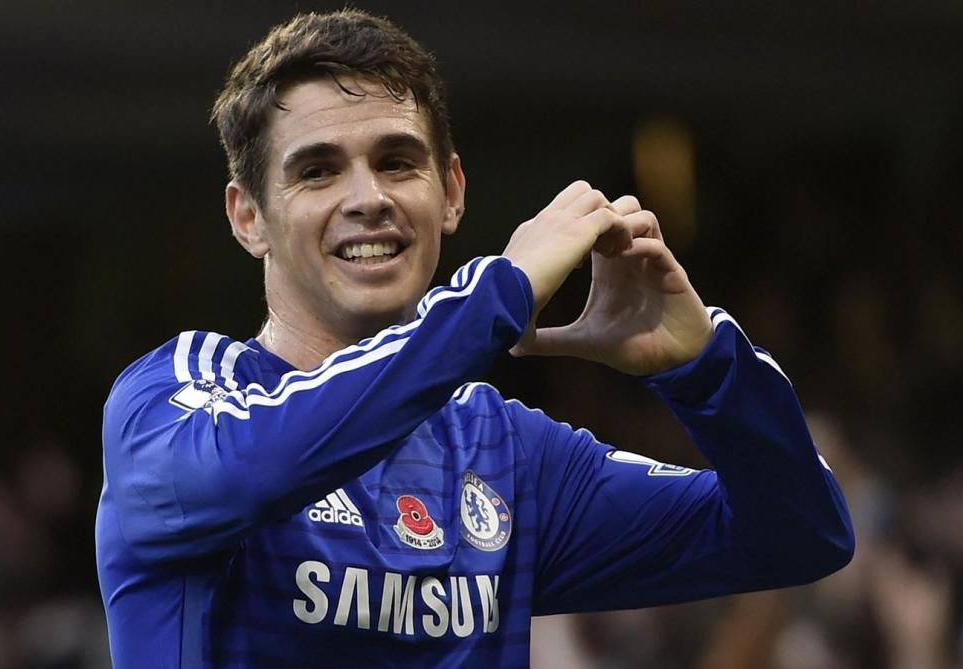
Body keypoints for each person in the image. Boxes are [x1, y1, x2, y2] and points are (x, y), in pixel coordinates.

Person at [95, 9, 855, 668]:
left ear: (451, 192)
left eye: (397, 162)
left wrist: (707, 370)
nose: (368, 198)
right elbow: (251, 472)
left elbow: (802, 533)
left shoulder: (504, 451)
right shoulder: (171, 400)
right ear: (248, 217)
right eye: (318, 172)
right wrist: (498, 291)